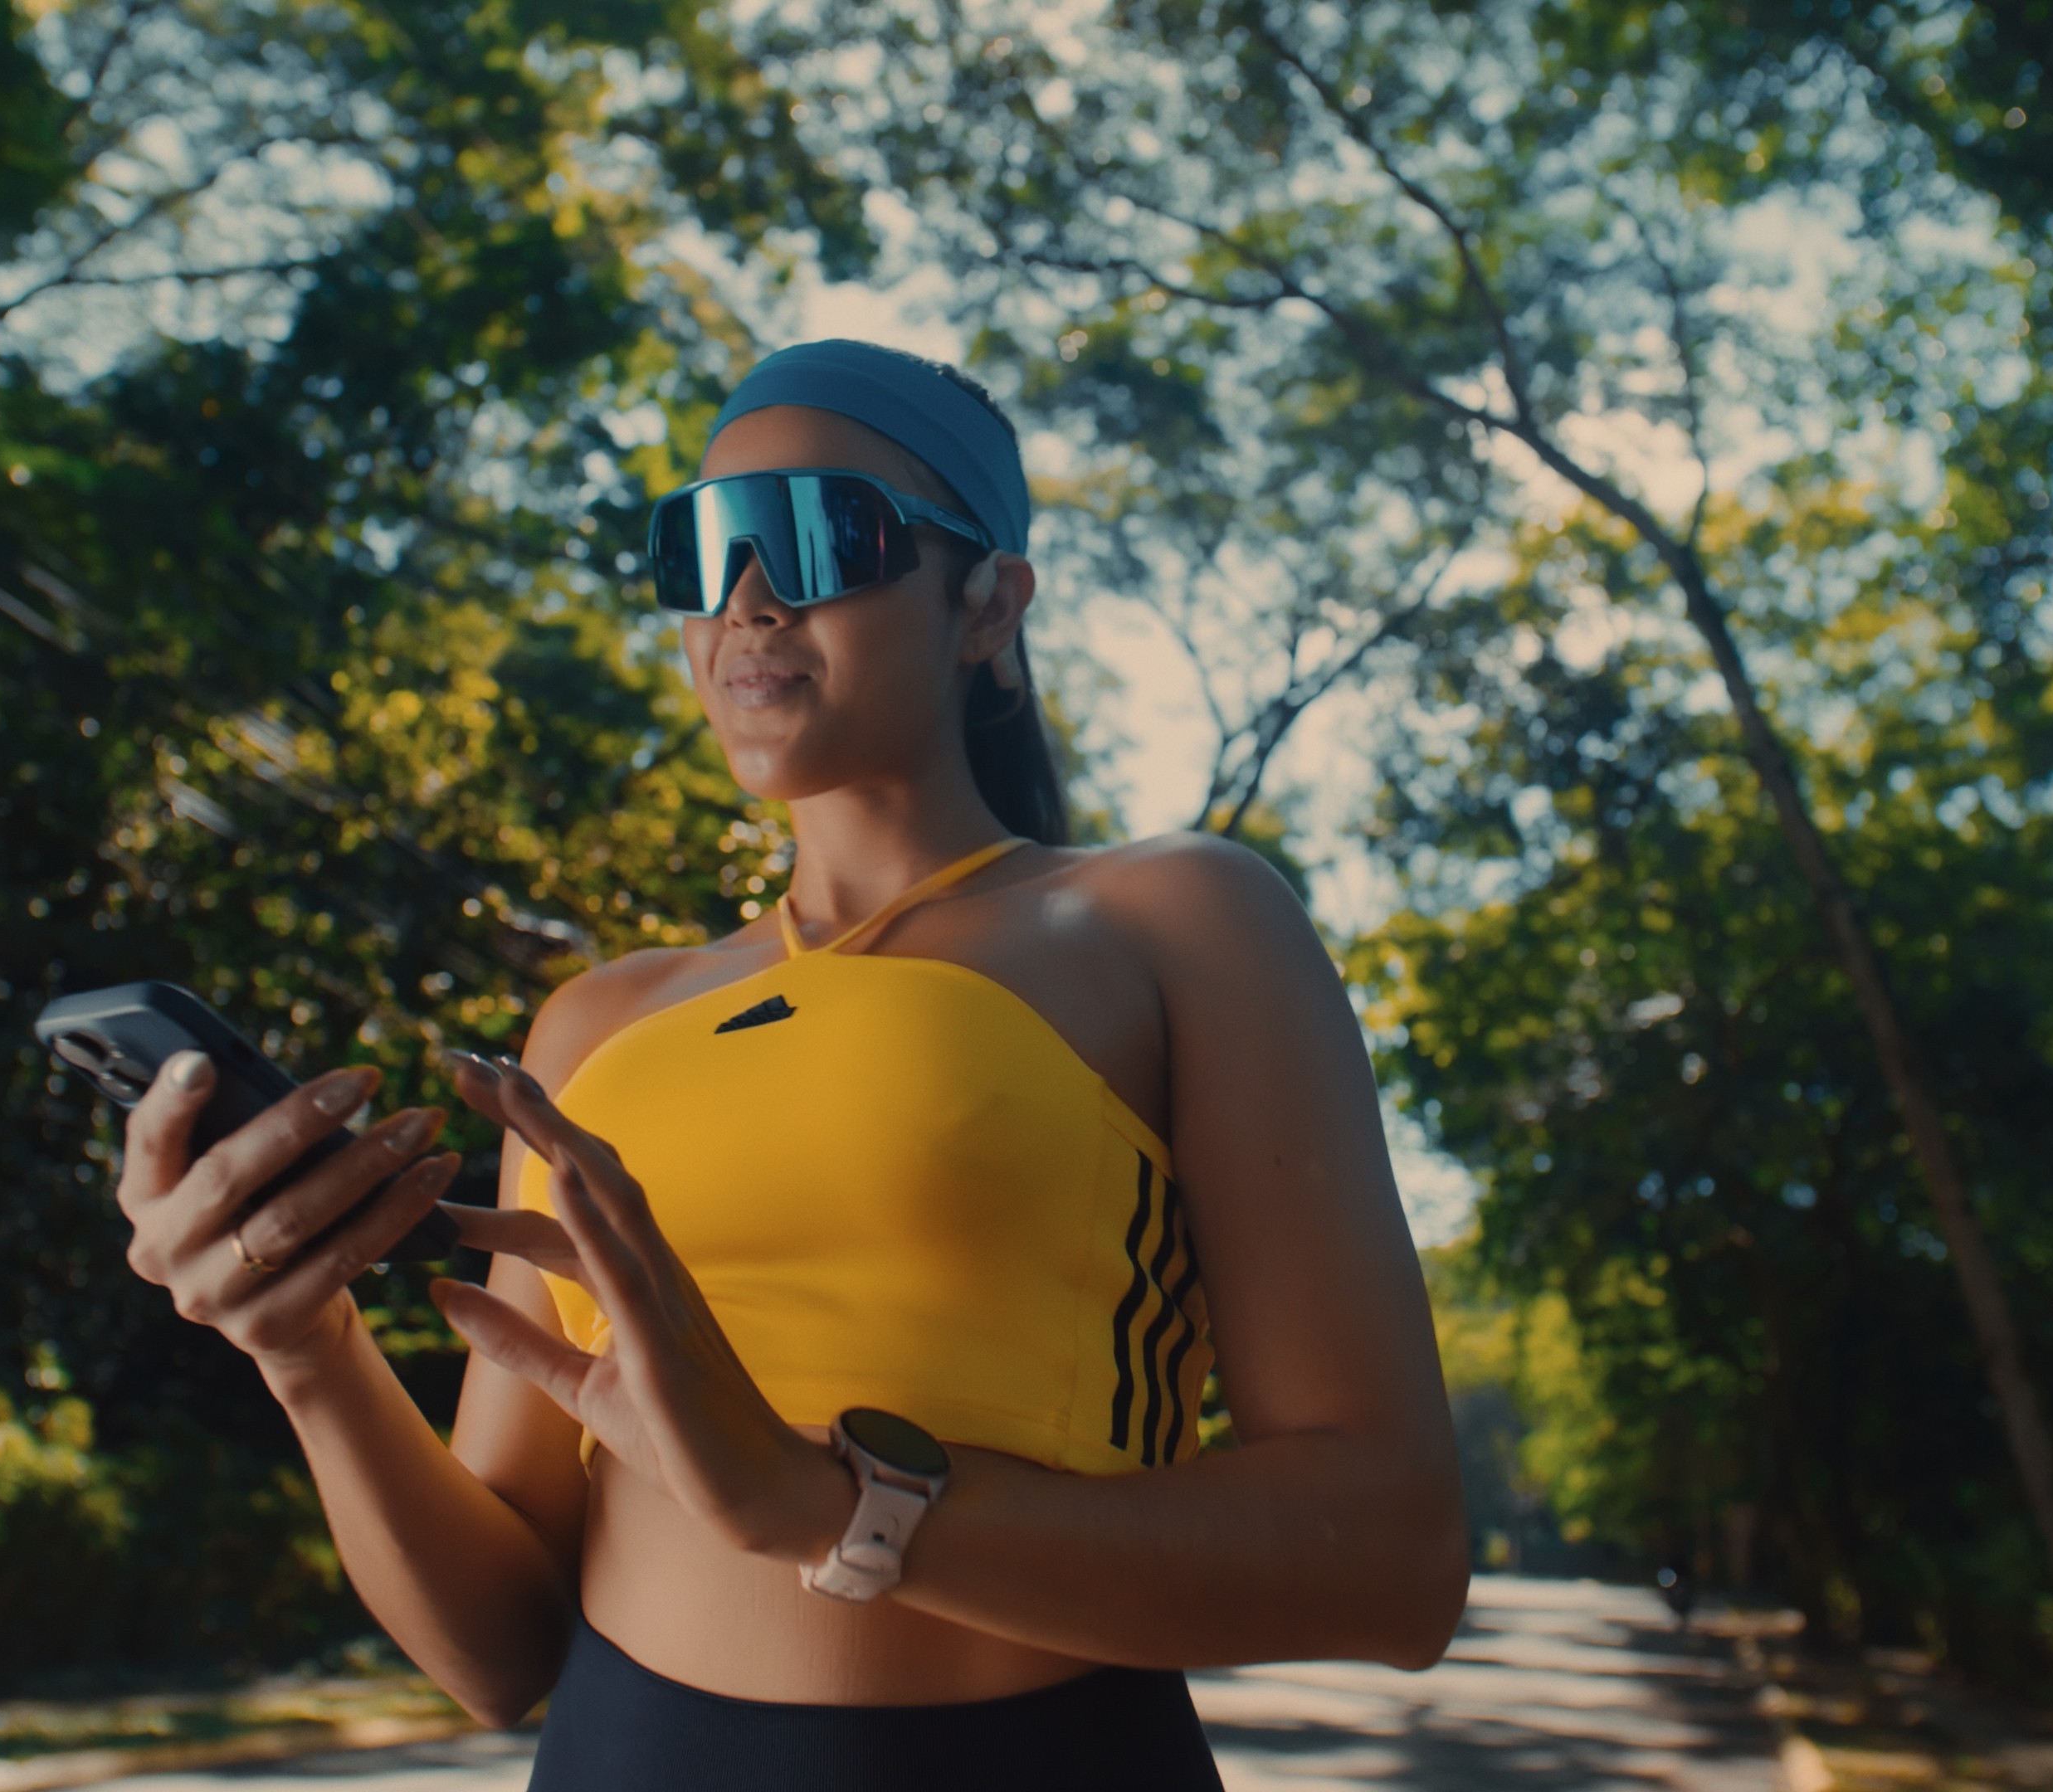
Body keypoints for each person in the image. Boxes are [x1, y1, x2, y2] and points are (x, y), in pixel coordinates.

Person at [105, 339, 1465, 1788]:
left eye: (821, 534)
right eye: (704, 549)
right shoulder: (593, 1026)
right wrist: (305, 1351)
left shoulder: (1175, 919)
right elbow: (495, 1652)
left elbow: (1392, 1563)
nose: (748, 597)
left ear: (988, 604)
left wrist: (831, 1508)